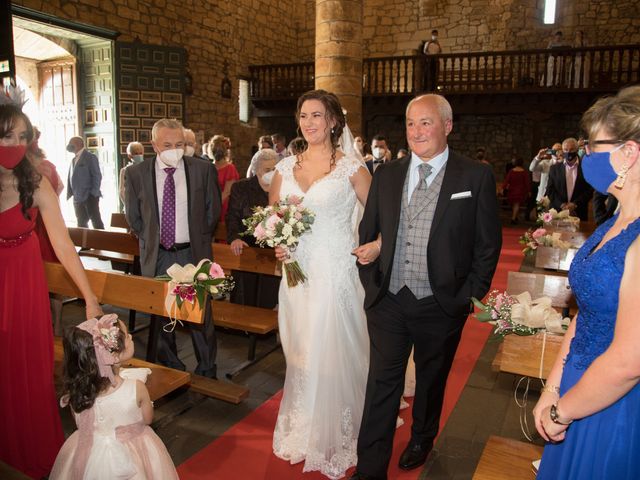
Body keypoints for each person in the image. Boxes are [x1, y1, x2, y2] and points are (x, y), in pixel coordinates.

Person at [352, 94, 501, 479]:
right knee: (382, 383)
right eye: (411, 123)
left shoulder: (475, 176)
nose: (417, 131)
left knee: (432, 379)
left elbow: (488, 244)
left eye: (426, 122)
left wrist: (468, 297)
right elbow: (370, 231)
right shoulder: (387, 174)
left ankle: (422, 437)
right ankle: (370, 468)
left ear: (447, 126)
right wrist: (372, 278)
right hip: (389, 300)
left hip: (441, 302)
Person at [269, 89, 377, 479]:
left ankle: (337, 432)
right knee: (300, 349)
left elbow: (379, 215)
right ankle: (305, 424)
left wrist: (376, 244)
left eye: (317, 115)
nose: (310, 123)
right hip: (297, 276)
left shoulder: (351, 167)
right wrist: (279, 245)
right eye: (303, 116)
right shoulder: (283, 169)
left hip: (336, 272)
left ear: (333, 121)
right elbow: (273, 220)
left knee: (331, 347)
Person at [534, 85, 640, 479]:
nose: (586, 156)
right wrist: (553, 389)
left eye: (594, 147)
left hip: (614, 402)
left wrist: (565, 409)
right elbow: (586, 314)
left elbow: (630, 360)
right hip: (577, 388)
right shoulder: (614, 223)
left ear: (628, 153)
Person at [0, 98, 103, 478]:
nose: (15, 144)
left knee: (28, 367)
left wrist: (89, 297)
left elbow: (62, 246)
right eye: (7, 135)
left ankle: (32, 451)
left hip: (23, 285)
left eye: (22, 136)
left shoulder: (36, 181)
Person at [124, 118, 221, 378]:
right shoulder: (136, 174)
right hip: (158, 254)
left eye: (179, 144)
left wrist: (197, 238)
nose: (174, 149)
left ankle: (207, 368)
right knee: (162, 313)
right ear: (154, 144)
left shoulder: (202, 170)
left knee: (199, 314)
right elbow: (133, 216)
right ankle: (170, 364)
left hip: (192, 252)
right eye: (167, 144)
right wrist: (153, 239)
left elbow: (213, 213)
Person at [50, 315, 178, 479]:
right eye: (126, 335)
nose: (130, 337)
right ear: (114, 355)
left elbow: (80, 423)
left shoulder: (77, 392)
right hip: (133, 452)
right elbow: (147, 419)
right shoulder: (136, 387)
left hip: (90, 453)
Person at [226, 148, 280, 307]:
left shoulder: (283, 188)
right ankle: (242, 328)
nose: (272, 173)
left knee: (268, 294)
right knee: (245, 294)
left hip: (272, 250)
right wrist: (235, 237)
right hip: (246, 247)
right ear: (256, 170)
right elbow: (232, 217)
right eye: (267, 170)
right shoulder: (241, 188)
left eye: (275, 169)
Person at [544, 137, 593, 220]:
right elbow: (550, 190)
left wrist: (575, 204)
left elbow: (589, 190)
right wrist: (562, 205)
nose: (568, 152)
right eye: (566, 150)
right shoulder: (554, 169)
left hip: (578, 211)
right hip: (558, 211)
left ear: (577, 150)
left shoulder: (586, 168)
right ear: (562, 151)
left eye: (571, 149)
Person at [66, 135, 105, 229]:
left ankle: (102, 242)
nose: (69, 145)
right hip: (77, 197)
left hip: (89, 196)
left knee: (96, 222)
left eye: (72, 143)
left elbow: (97, 176)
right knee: (81, 223)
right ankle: (84, 243)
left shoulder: (90, 157)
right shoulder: (73, 160)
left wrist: (93, 193)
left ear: (79, 144)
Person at [210, 134, 240, 222]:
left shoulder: (230, 168)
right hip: (211, 205)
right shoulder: (209, 167)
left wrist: (213, 208)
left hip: (223, 207)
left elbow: (227, 192)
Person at [502, 156, 531, 224]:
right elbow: (527, 182)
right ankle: (514, 218)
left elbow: (507, 180)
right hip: (520, 190)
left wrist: (503, 188)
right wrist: (529, 191)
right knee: (516, 204)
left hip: (512, 190)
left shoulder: (511, 171)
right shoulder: (524, 172)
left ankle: (514, 217)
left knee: (514, 204)